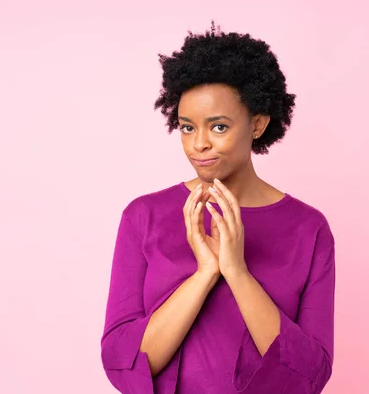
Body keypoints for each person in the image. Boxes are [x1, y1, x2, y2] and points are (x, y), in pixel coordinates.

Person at [100, 22, 336, 394]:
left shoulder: (308, 228)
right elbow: (121, 360)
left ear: (257, 124)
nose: (200, 144)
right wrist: (204, 273)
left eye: (219, 127)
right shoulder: (143, 217)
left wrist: (237, 272)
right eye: (187, 127)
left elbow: (310, 375)